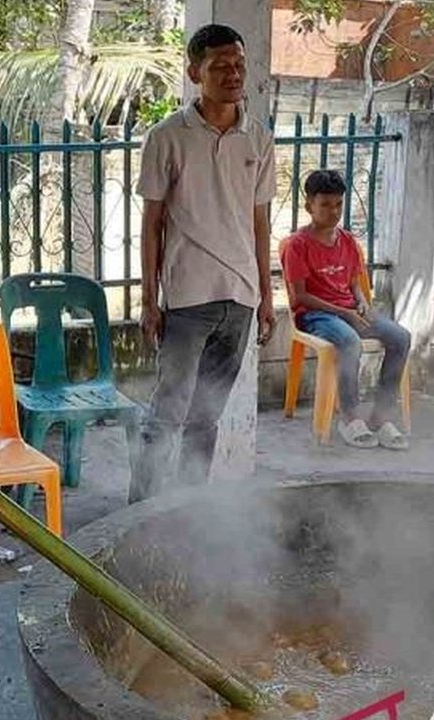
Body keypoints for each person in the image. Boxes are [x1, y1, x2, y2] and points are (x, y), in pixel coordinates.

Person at [130, 23, 276, 503]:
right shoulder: (167, 137)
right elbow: (151, 224)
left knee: (206, 417)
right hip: (188, 297)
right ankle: (140, 511)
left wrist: (267, 298)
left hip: (241, 299)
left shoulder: (258, 138)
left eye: (238, 65)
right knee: (166, 415)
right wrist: (150, 301)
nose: (233, 74)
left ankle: (189, 510)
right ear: (195, 72)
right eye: (220, 66)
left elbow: (260, 223)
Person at [280, 169, 410, 449]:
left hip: (350, 311)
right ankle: (350, 417)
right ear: (309, 206)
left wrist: (361, 303)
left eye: (338, 204)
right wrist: (345, 314)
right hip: (315, 315)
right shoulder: (297, 245)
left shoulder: (349, 241)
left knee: (400, 337)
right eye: (325, 205)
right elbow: (301, 296)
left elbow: (354, 285)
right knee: (349, 342)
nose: (333, 211)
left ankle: (380, 416)